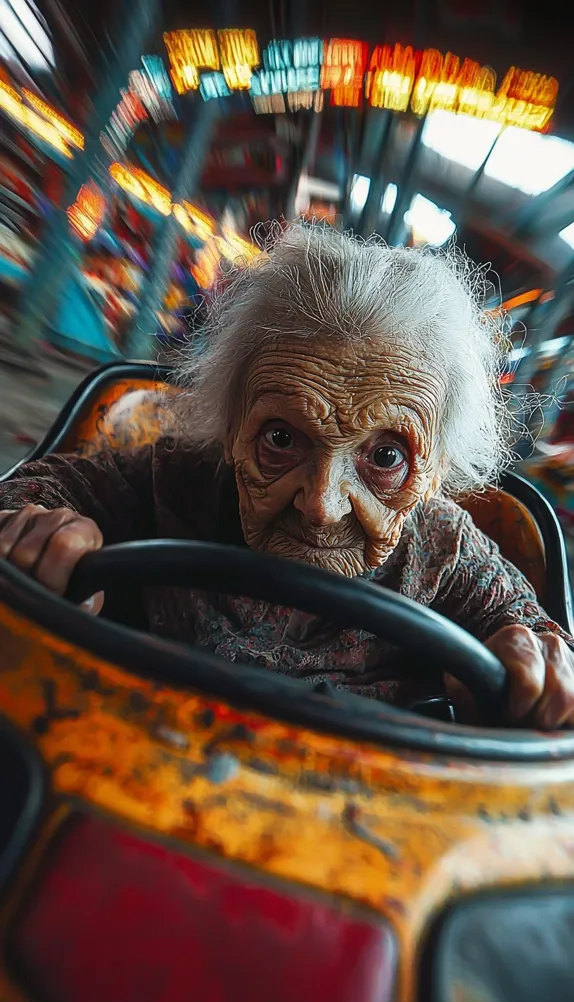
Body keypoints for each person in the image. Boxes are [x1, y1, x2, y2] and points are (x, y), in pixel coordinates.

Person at [1, 223, 574, 729]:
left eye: (385, 457)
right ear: (231, 429)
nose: (321, 504)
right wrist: (38, 530)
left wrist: (539, 662)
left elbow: (534, 634)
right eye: (281, 439)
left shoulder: (445, 547)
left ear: (436, 472)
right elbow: (35, 491)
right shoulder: (177, 475)